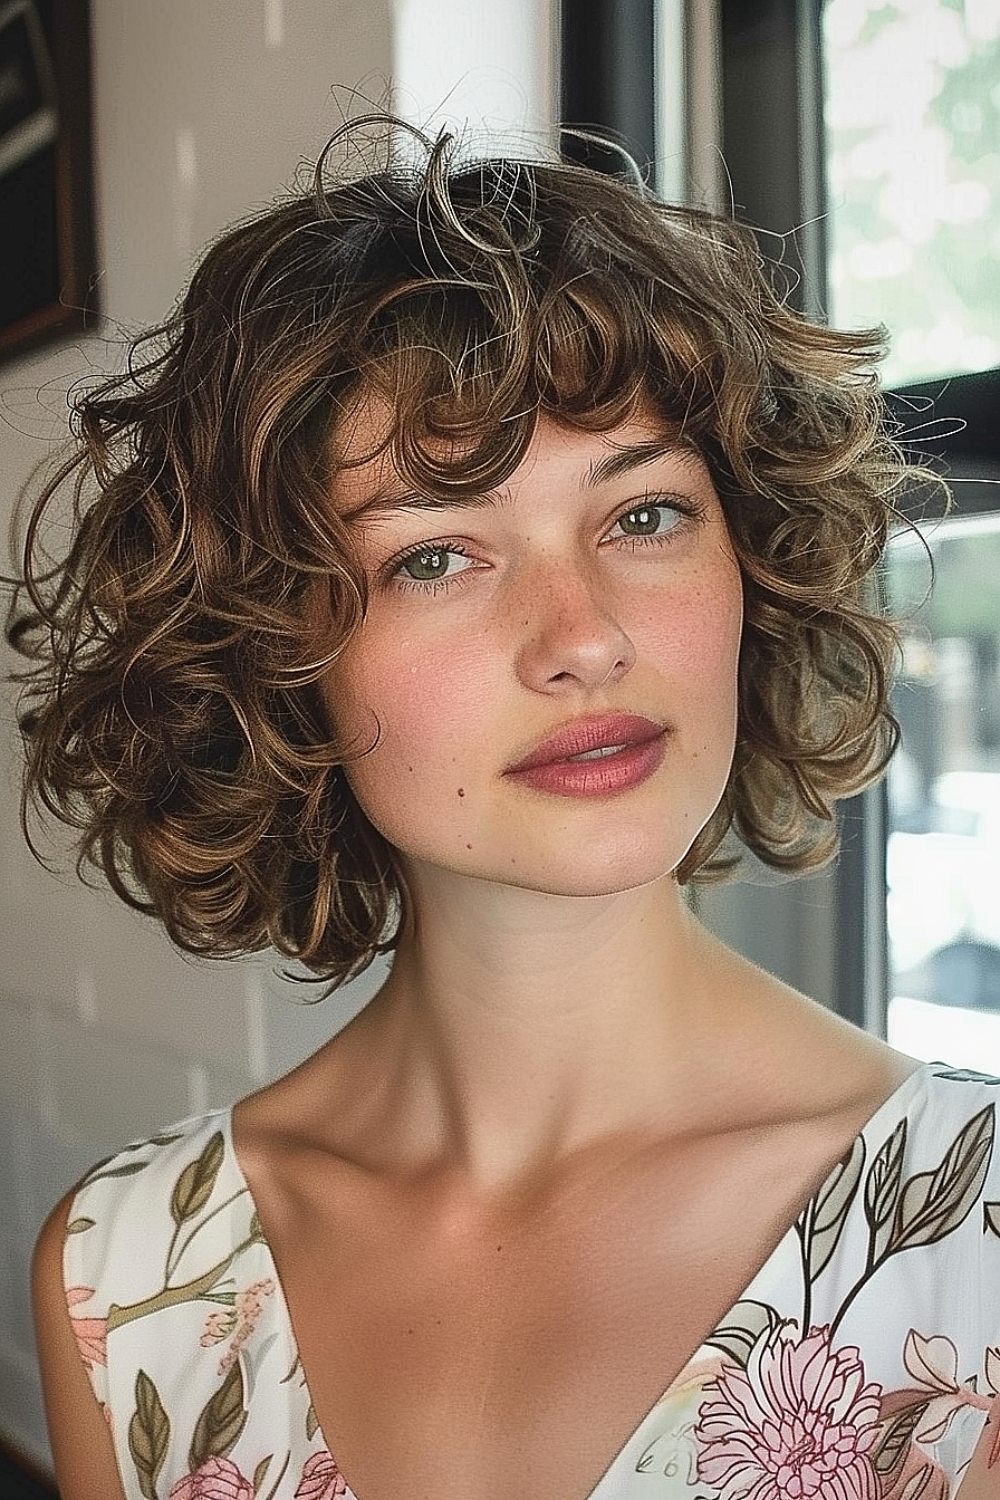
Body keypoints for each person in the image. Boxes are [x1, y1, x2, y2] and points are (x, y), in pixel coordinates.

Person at [13, 118, 1000, 1500]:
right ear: (271, 653)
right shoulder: (125, 1279)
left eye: (645, 516)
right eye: (434, 554)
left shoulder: (977, 1246)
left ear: (753, 565)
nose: (582, 637)